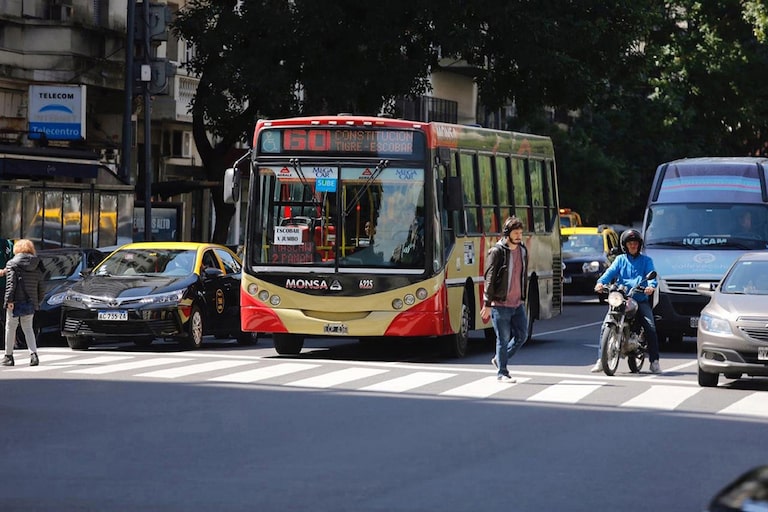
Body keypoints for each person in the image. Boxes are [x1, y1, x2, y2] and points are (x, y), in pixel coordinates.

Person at [592, 229, 661, 374]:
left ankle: (654, 361)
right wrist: (600, 283)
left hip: (639, 299)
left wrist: (650, 287)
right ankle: (601, 359)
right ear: (625, 245)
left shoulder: (646, 261)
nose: (633, 245)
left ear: (639, 244)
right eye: (630, 243)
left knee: (650, 327)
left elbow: (652, 277)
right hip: (621, 298)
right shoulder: (620, 259)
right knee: (605, 325)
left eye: (635, 243)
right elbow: (610, 272)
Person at [481, 216, 529, 382]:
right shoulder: (497, 251)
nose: (518, 236)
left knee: (522, 336)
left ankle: (500, 359)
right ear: (507, 234)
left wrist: (523, 296)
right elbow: (489, 278)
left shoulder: (523, 250)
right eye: (515, 233)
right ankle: (502, 372)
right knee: (503, 339)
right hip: (500, 304)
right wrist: (487, 303)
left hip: (517, 303)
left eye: (520, 233)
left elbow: (523, 275)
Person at [1, 239, 44, 367]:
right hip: (30, 302)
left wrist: (8, 301)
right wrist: (37, 302)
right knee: (28, 328)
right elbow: (41, 287)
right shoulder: (37, 264)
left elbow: (11, 285)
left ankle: (9, 356)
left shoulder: (12, 263)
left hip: (15, 302)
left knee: (10, 328)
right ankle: (33, 355)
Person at [0, 237, 13, 356]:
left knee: (5, 317)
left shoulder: (6, 244)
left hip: (4, 286)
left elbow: (12, 263)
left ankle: (5, 344)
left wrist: (4, 271)